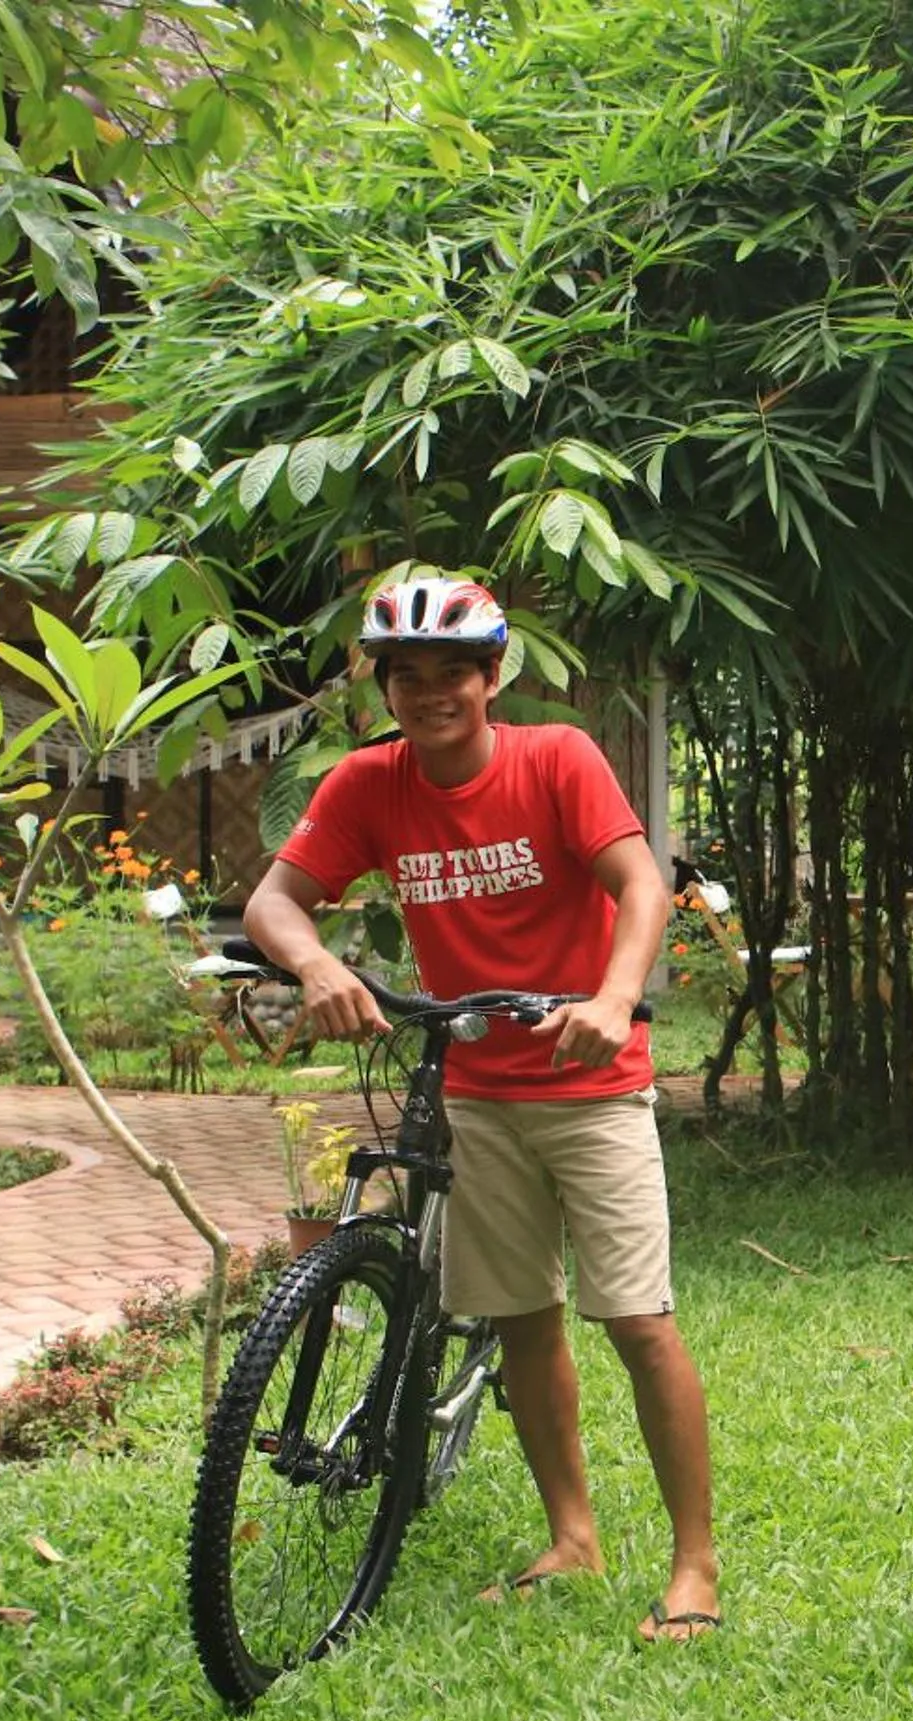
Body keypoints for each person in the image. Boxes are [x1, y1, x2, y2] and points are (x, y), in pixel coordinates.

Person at [243, 574, 720, 1641]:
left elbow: (641, 886)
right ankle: (573, 1538)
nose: (430, 693)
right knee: (522, 1318)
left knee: (638, 1321)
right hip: (475, 1087)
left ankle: (695, 1565)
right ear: (383, 688)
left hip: (592, 1083)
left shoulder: (557, 758)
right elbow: (274, 901)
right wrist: (316, 964)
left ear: (492, 676)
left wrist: (612, 997)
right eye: (405, 675)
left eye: (452, 671)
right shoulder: (369, 784)